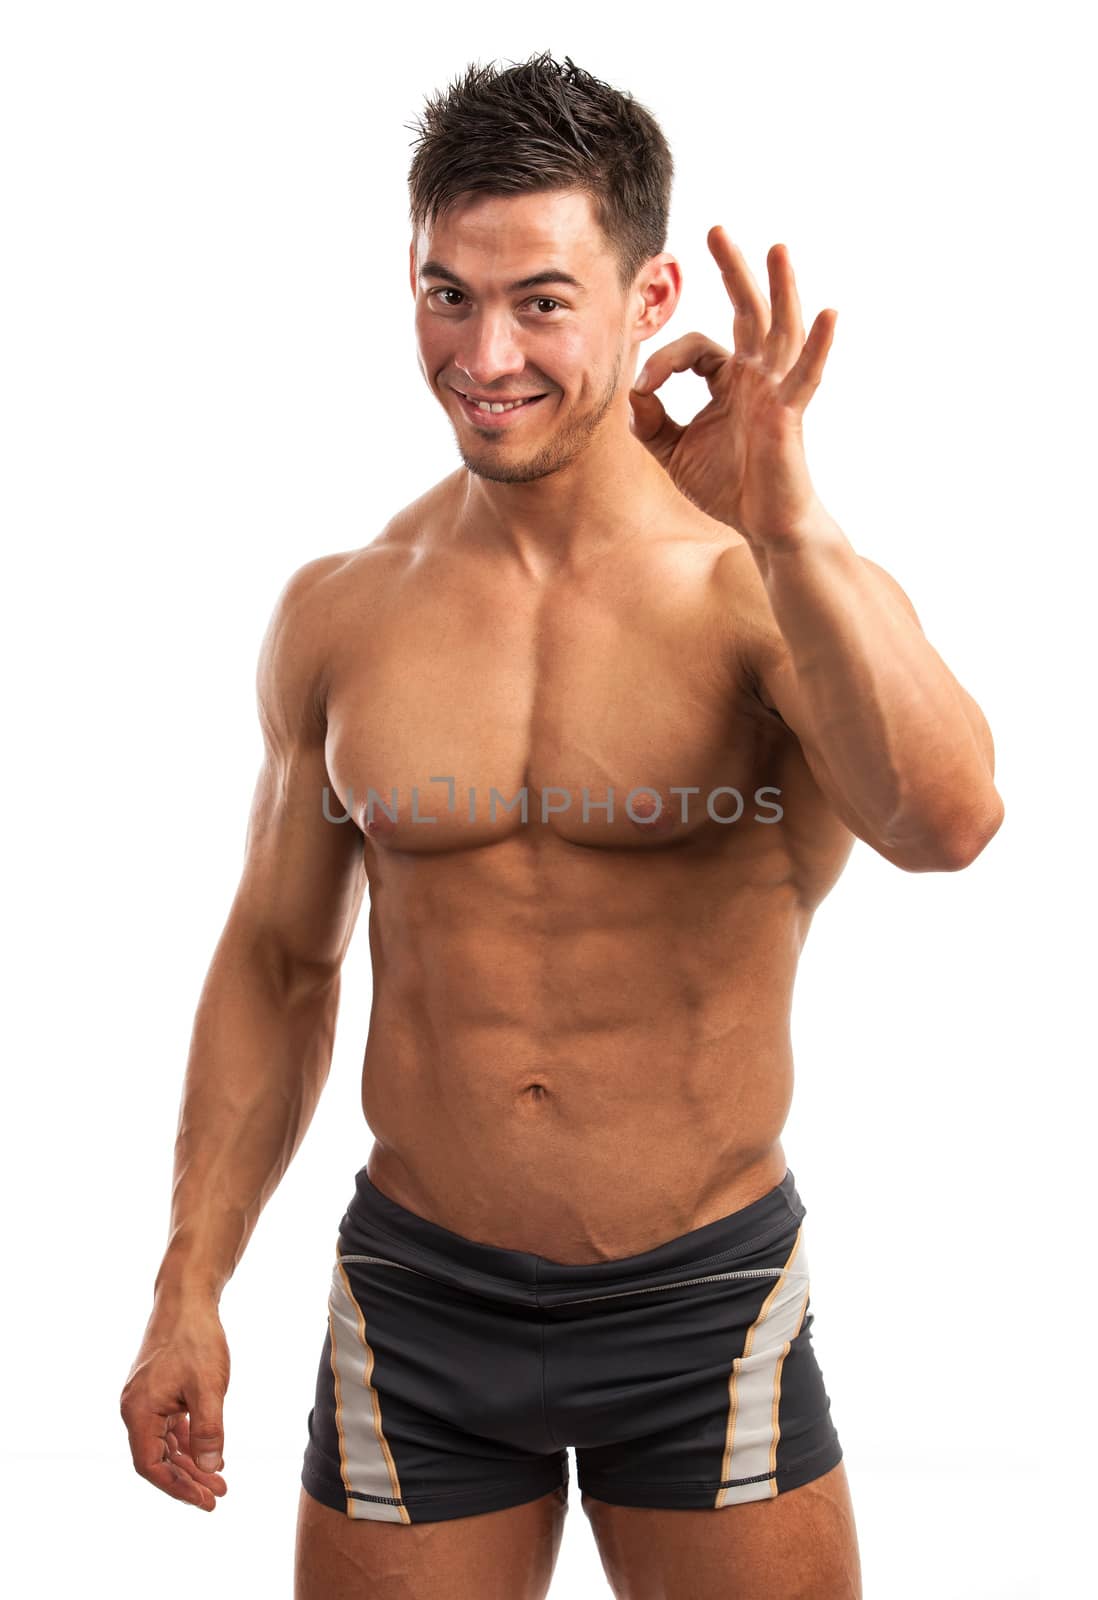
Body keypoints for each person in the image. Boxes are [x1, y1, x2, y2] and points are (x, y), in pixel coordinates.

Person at [120, 50, 1003, 1600]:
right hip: (418, 1294)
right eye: (445, 293)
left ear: (648, 293)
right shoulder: (343, 612)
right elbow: (276, 963)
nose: (485, 351)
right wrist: (187, 1281)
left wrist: (794, 521)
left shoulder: (757, 594)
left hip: (698, 1298)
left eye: (540, 298)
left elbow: (947, 822)